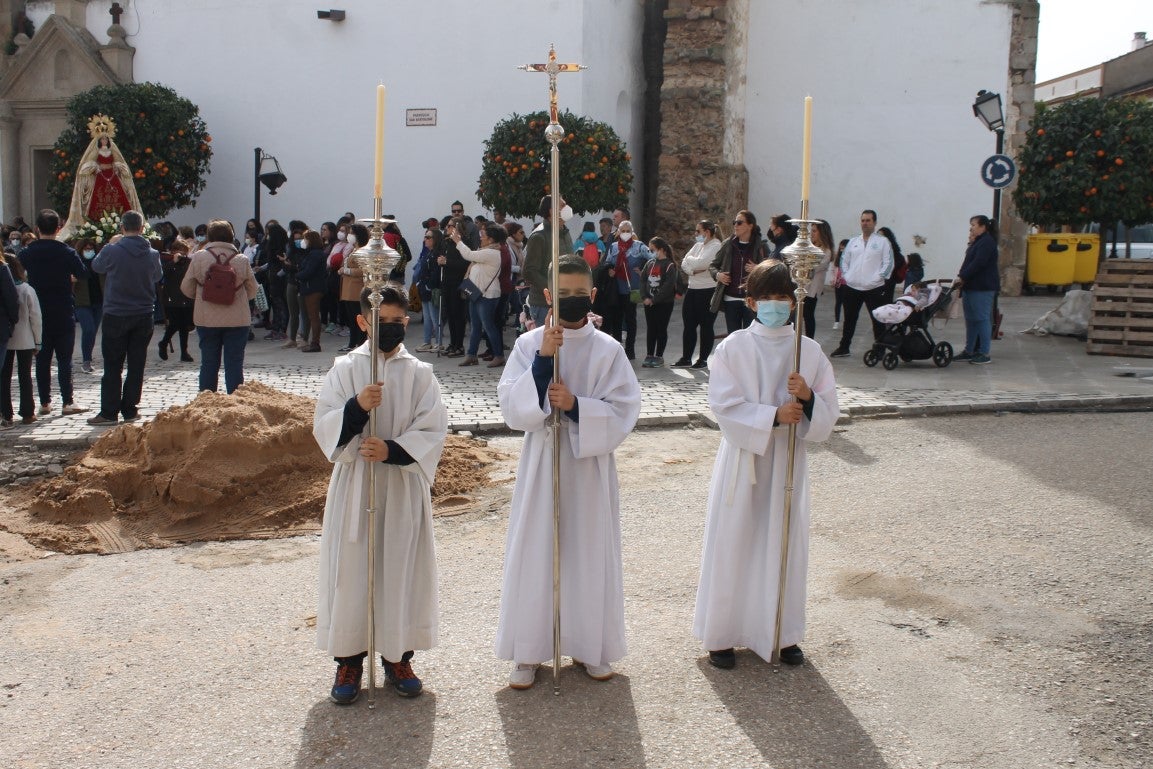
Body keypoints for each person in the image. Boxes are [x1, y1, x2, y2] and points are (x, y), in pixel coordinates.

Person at [496, 254, 642, 689]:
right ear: (547, 296)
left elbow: (625, 409)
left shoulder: (609, 350)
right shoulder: (527, 345)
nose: (574, 300)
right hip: (543, 460)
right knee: (537, 548)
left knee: (587, 549)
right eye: (565, 294)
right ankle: (528, 651)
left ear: (593, 295)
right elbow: (511, 407)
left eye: (581, 294)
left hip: (588, 467)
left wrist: (577, 406)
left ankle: (589, 645)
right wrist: (543, 360)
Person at [693, 260, 839, 670]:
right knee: (735, 540)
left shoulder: (807, 351)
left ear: (794, 302)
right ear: (752, 301)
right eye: (767, 298)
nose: (776, 305)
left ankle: (781, 631)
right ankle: (723, 634)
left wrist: (808, 397)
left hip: (788, 462)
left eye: (783, 297)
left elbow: (829, 410)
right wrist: (773, 416)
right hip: (745, 459)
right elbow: (723, 405)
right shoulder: (734, 347)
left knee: (783, 540)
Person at [312, 283, 448, 704]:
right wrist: (355, 408)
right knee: (353, 570)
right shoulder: (344, 369)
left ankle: (397, 656)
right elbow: (324, 425)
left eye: (398, 321)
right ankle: (349, 660)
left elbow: (434, 428)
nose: (391, 328)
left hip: (401, 485)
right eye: (381, 321)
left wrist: (392, 449)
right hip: (357, 485)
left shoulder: (420, 374)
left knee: (399, 567)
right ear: (362, 321)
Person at [87, 211, 162, 426]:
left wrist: (111, 243)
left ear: (122, 228)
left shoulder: (112, 250)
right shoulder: (152, 253)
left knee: (112, 364)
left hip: (116, 312)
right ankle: (130, 409)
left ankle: (109, 412)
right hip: (143, 313)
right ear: (141, 228)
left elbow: (97, 266)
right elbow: (157, 276)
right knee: (137, 363)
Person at [19, 209, 89, 416]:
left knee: (42, 359)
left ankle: (45, 402)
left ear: (37, 229)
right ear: (59, 228)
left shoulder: (27, 252)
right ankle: (67, 401)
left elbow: (19, 274)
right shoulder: (66, 252)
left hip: (38, 311)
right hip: (63, 309)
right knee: (64, 359)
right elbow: (83, 273)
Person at [181, 220, 258, 392]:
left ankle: (206, 402)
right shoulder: (241, 259)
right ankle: (236, 402)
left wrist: (203, 296)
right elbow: (253, 290)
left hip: (207, 319)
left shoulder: (200, 256)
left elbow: (186, 287)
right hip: (237, 320)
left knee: (208, 362)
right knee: (234, 363)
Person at [830, 210, 894, 358]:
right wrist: (848, 277)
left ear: (875, 223)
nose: (865, 223)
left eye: (868, 220)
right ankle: (844, 347)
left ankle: (879, 349)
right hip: (853, 288)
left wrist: (878, 278)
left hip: (874, 288)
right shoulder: (853, 242)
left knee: (877, 320)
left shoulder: (882, 242)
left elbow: (888, 263)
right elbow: (843, 261)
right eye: (863, 220)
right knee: (849, 319)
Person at [60, 130, 144, 240]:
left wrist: (117, 166)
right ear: (99, 141)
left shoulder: (112, 150)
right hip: (100, 178)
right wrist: (96, 167)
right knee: (96, 201)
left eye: (106, 139)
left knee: (119, 199)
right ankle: (95, 227)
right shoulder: (96, 151)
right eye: (102, 139)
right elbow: (88, 164)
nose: (104, 141)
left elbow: (120, 162)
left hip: (113, 177)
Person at [451, 222, 505, 368]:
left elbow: (468, 255)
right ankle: (471, 355)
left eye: (483, 236)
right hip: (477, 293)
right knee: (475, 326)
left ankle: (499, 355)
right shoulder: (486, 251)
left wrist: (458, 241)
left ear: (492, 239)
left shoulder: (491, 253)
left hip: (487, 295)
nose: (481, 238)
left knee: (488, 326)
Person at [709, 210, 770, 335]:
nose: (735, 225)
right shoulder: (728, 244)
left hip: (752, 299)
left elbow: (772, 269)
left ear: (750, 225)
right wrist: (718, 275)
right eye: (734, 222)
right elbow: (713, 265)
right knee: (734, 337)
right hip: (730, 299)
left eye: (739, 222)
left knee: (751, 335)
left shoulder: (761, 246)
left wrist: (758, 268)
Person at [673, 219, 721, 368]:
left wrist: (693, 264)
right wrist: (693, 270)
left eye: (698, 231)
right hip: (693, 288)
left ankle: (703, 359)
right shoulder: (698, 245)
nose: (696, 234)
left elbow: (702, 263)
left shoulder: (716, 246)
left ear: (707, 232)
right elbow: (684, 263)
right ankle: (686, 357)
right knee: (689, 325)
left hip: (707, 290)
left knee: (706, 325)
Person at [522, 195, 574, 330]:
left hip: (564, 300)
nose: (567, 208)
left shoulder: (564, 232)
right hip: (544, 304)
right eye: (562, 205)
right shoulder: (539, 236)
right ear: (552, 211)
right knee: (548, 346)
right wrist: (553, 290)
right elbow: (529, 271)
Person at [954, 215, 1000, 365]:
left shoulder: (987, 243)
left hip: (982, 287)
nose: (971, 228)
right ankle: (970, 350)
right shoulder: (977, 242)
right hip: (971, 286)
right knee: (971, 320)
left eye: (973, 225)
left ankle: (984, 352)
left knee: (981, 318)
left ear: (982, 226)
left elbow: (978, 263)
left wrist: (963, 276)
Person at [603, 219, 651, 360]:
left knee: (631, 319)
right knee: (616, 319)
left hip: (633, 288)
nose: (625, 234)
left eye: (627, 231)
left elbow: (652, 259)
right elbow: (607, 262)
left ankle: (630, 349)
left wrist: (642, 269)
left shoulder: (639, 246)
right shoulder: (613, 246)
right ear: (618, 231)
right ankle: (618, 348)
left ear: (632, 232)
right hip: (616, 288)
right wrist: (610, 269)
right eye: (622, 231)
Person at [1, 256, 40, 428]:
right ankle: (28, 412)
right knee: (25, 376)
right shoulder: (26, 289)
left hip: (7, 338)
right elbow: (35, 317)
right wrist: (38, 341)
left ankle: (6, 413)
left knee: (4, 377)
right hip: (24, 338)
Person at [640, 236, 678, 368]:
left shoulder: (669, 265)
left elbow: (668, 286)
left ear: (661, 249)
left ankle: (659, 356)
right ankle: (649, 354)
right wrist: (644, 297)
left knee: (661, 328)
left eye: (653, 249)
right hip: (648, 302)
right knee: (651, 329)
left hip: (664, 303)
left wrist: (654, 300)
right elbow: (643, 280)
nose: (651, 252)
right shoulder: (649, 263)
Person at [157, 240, 195, 363]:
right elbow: (162, 275)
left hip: (186, 297)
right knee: (175, 323)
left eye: (184, 251)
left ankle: (184, 352)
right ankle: (164, 343)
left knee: (184, 326)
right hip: (172, 298)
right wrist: (173, 262)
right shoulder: (168, 262)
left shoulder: (189, 262)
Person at [72, 238, 103, 374]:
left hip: (98, 301)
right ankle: (86, 360)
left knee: (93, 332)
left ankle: (88, 359)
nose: (89, 251)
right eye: (86, 249)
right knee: (88, 329)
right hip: (82, 302)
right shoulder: (76, 263)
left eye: (91, 249)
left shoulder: (99, 263)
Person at [295, 230, 329, 353]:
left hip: (313, 288)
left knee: (313, 316)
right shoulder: (313, 253)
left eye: (306, 239)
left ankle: (315, 343)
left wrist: (297, 275)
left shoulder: (315, 254)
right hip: (310, 287)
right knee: (311, 315)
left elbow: (309, 271)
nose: (304, 242)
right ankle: (311, 341)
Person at [338, 224, 370, 353]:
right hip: (348, 289)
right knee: (351, 319)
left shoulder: (362, 251)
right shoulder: (353, 249)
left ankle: (360, 343)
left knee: (357, 319)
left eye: (352, 233)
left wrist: (346, 270)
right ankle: (352, 342)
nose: (349, 235)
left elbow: (363, 270)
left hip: (356, 290)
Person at [413, 227, 444, 353]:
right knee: (426, 317)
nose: (425, 239)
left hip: (432, 290)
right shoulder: (428, 252)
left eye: (428, 237)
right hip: (424, 289)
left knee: (435, 317)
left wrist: (428, 286)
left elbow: (436, 272)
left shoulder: (438, 253)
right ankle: (427, 341)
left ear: (435, 239)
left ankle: (438, 342)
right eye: (425, 237)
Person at [802, 220, 833, 339]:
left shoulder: (826, 251)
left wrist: (805, 262)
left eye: (814, 231)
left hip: (813, 289)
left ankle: (810, 340)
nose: (811, 233)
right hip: (803, 286)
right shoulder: (810, 247)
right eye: (811, 231)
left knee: (808, 315)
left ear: (822, 233)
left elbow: (813, 267)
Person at [878, 226, 906, 302]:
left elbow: (899, 261)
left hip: (888, 283)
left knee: (885, 304)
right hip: (874, 283)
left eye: (881, 236)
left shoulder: (894, 251)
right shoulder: (874, 249)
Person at [831, 239, 849, 331]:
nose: (841, 250)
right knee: (838, 302)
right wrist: (833, 279)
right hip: (838, 284)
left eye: (843, 248)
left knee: (846, 303)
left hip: (847, 284)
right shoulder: (837, 258)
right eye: (840, 248)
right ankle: (836, 321)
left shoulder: (850, 258)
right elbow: (834, 269)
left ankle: (847, 321)